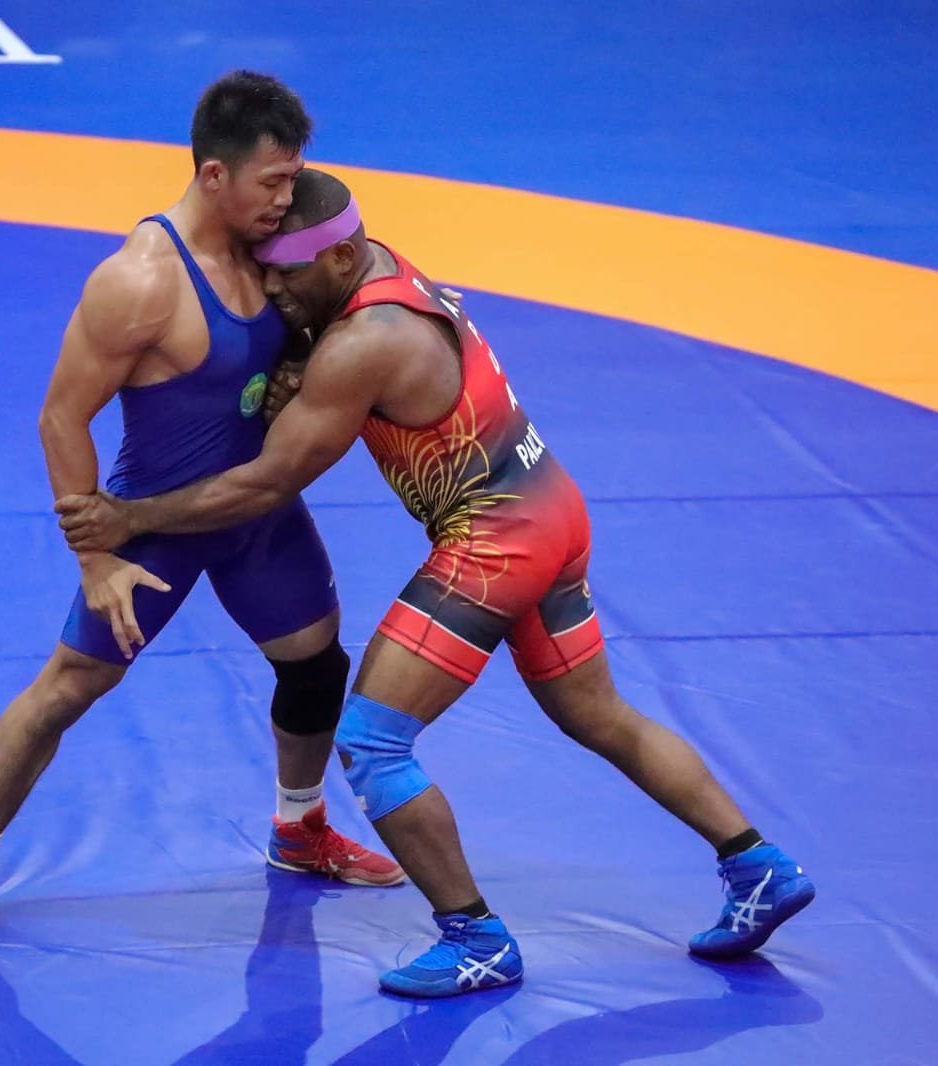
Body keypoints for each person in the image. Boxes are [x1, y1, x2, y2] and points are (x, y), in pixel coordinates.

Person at [55, 168, 815, 997]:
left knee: (372, 742)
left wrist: (130, 518)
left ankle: (475, 938)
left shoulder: (362, 343)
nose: (272, 291)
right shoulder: (380, 268)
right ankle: (758, 865)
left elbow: (265, 484)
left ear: (337, 258)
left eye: (283, 274)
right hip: (552, 506)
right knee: (598, 713)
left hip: (496, 541)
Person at [0, 75, 404, 951]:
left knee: (314, 667)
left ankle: (299, 826)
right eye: (272, 182)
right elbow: (61, 417)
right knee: (70, 687)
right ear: (214, 175)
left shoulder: (271, 249)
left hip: (256, 513)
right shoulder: (139, 282)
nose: (287, 199)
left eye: (293, 179)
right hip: (152, 526)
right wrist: (95, 560)